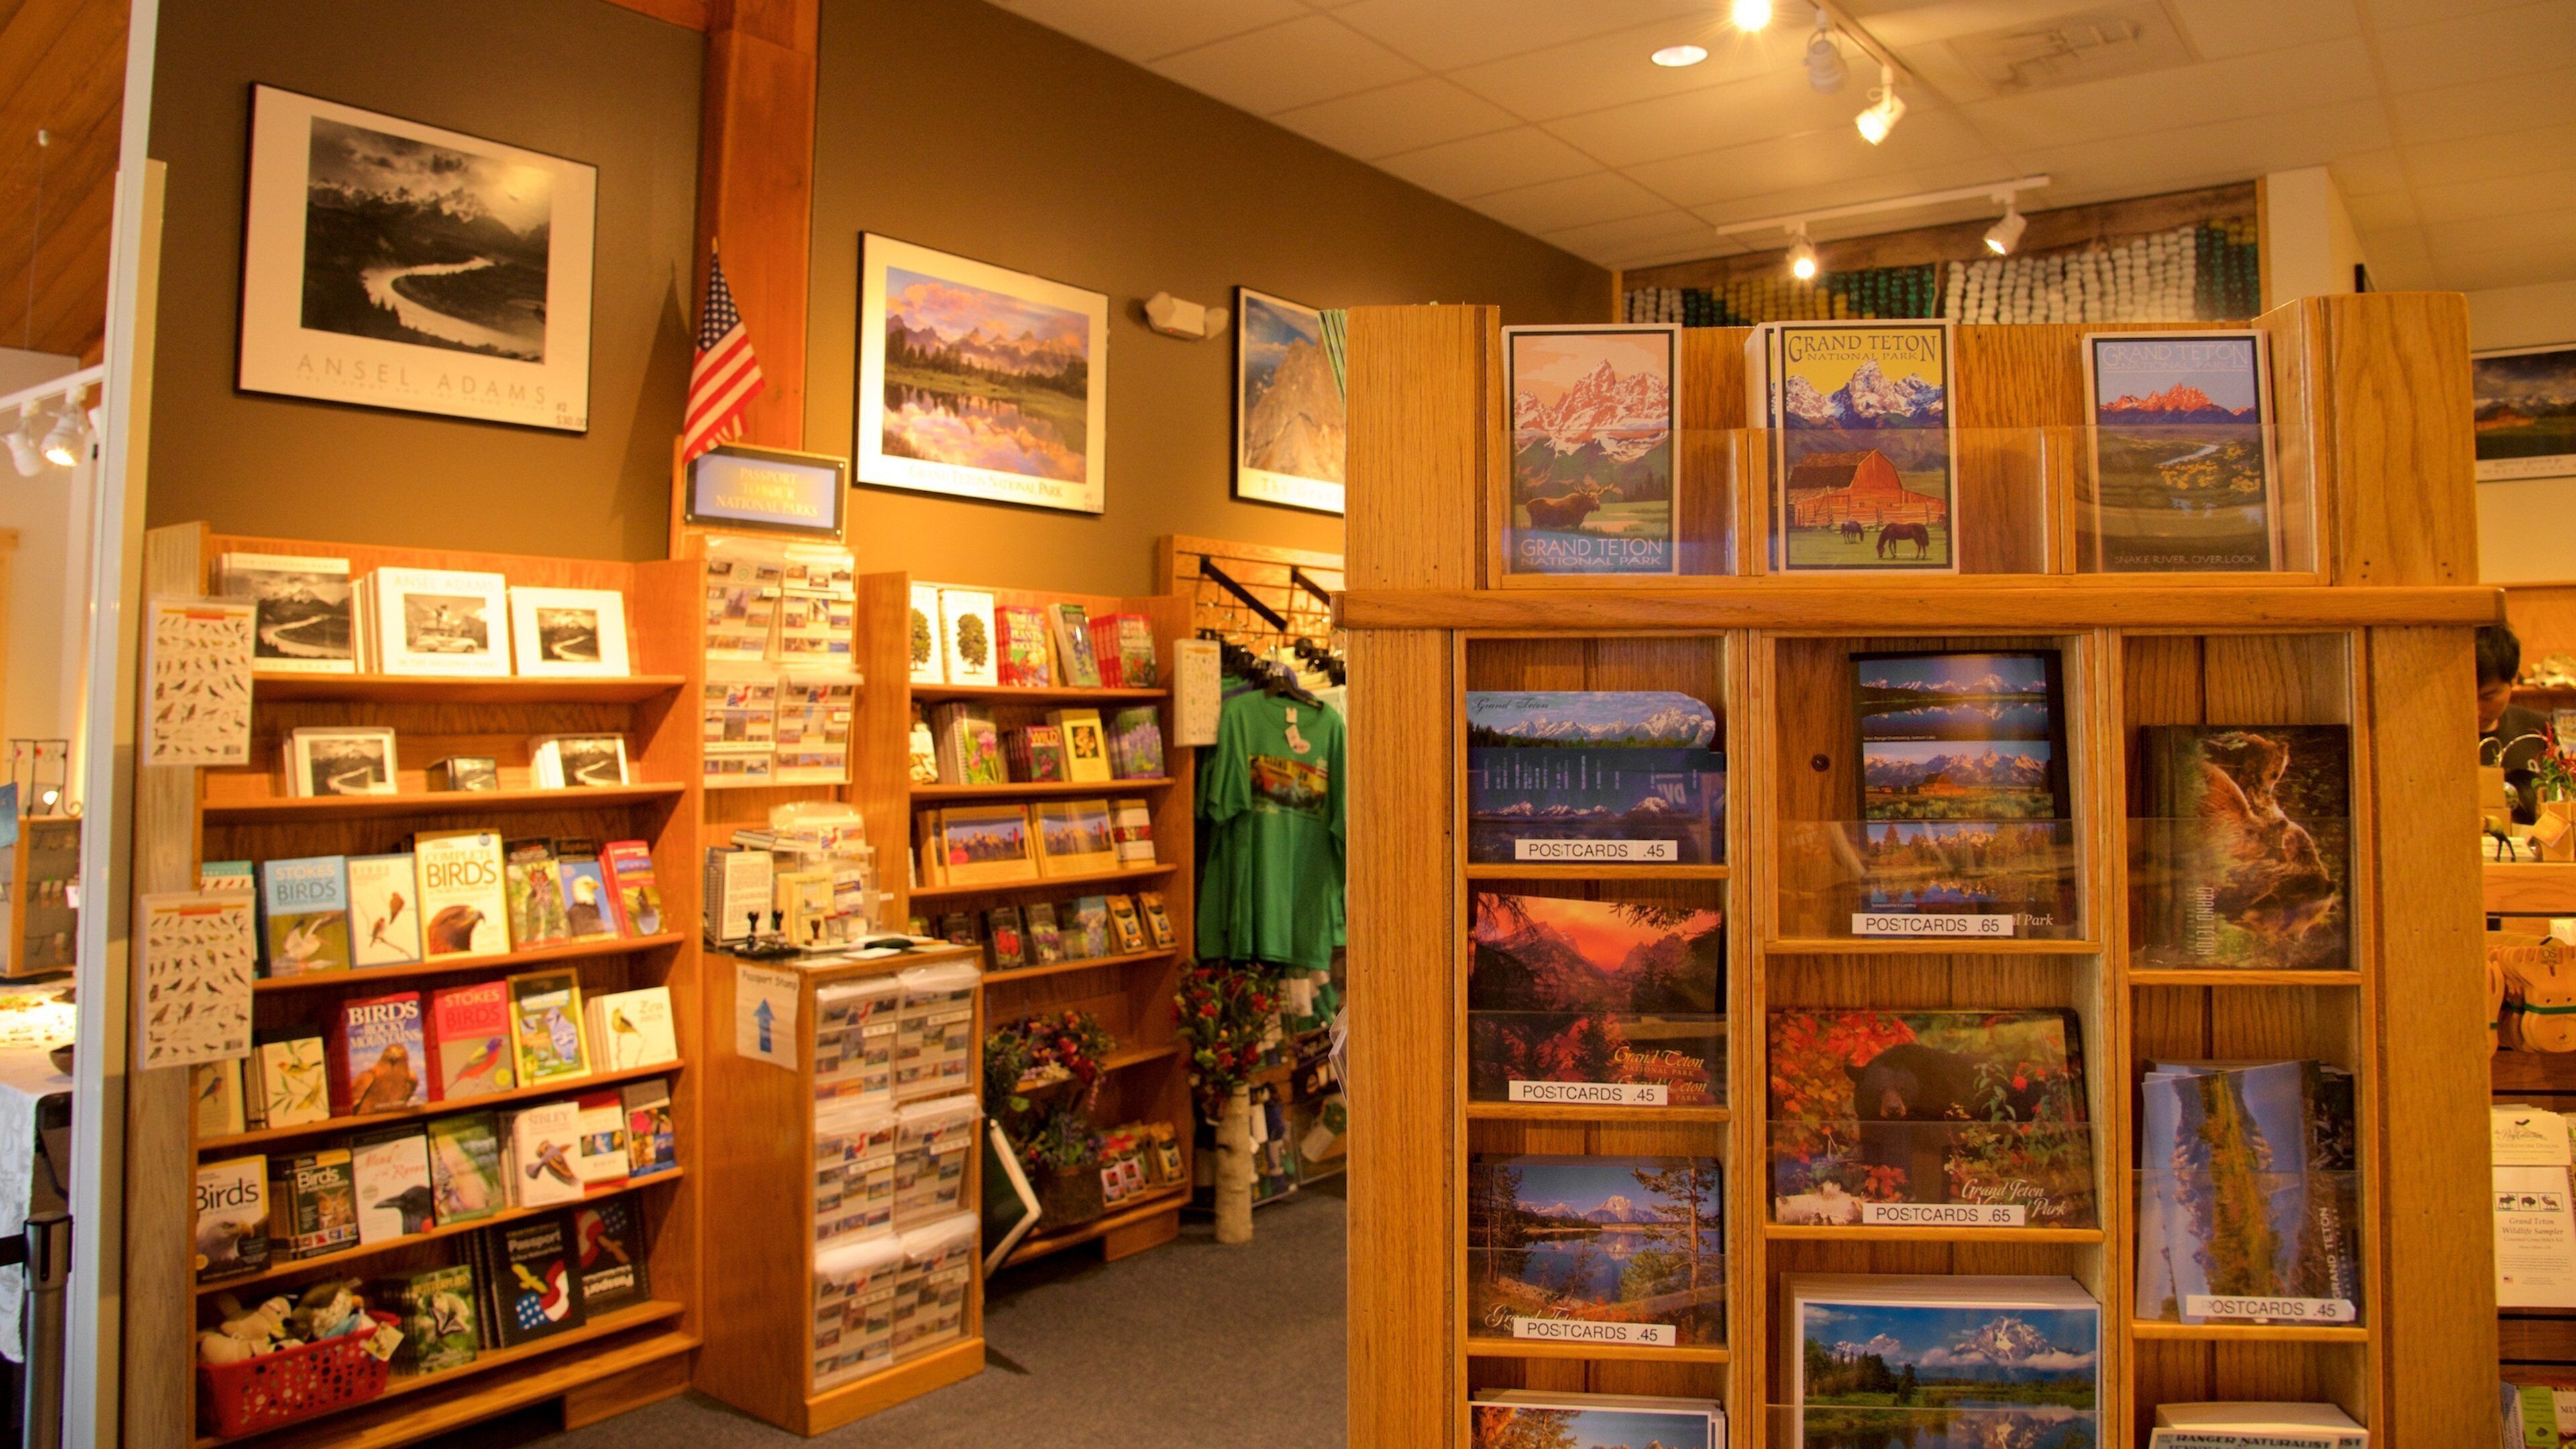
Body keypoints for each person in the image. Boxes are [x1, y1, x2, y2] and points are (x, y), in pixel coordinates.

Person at [2479, 623, 2551, 824]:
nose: (2476, 709)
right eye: (2466, 696)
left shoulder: (2537, 727)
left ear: (2514, 679)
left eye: (2488, 697)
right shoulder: (2438, 737)